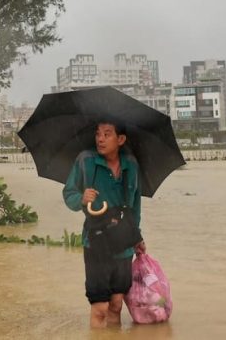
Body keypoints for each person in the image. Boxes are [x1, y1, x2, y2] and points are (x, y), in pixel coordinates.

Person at [63, 120, 146, 328]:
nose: (100, 139)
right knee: (100, 308)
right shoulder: (85, 161)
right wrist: (82, 198)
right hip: (96, 241)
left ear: (121, 139)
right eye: (98, 134)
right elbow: (68, 193)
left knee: (116, 304)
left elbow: (135, 205)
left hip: (123, 243)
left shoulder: (131, 165)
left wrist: (137, 237)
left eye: (107, 134)